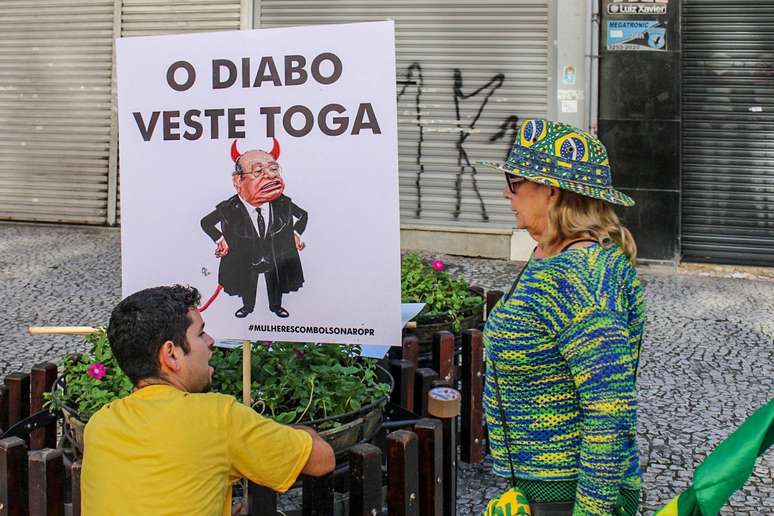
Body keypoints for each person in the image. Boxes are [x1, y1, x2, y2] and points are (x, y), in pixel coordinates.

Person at [479, 119, 644, 515]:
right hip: (541, 483)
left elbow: (610, 407)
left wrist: (590, 511)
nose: (506, 192)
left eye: (515, 181)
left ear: (551, 191)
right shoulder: (551, 255)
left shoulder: (579, 276)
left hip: (568, 493)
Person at [81, 285, 334, 516]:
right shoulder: (218, 417)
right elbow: (322, 459)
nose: (211, 341)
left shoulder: (99, 425)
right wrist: (294, 431)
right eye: (200, 333)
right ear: (171, 354)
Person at [201, 138, 307, 319]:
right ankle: (247, 307)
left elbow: (303, 215)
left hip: (274, 254)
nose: (271, 176)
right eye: (258, 171)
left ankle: (276, 306)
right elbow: (206, 222)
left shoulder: (283, 203)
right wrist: (220, 239)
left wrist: (295, 233)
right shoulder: (229, 207)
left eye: (274, 169)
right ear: (237, 180)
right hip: (245, 255)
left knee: (275, 279)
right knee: (247, 282)